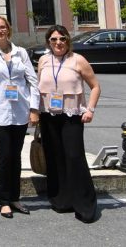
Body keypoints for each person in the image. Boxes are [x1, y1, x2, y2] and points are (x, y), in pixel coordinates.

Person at [37, 25, 101, 223]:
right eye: (54, 39)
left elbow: (95, 86)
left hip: (71, 116)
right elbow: (38, 87)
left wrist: (90, 109)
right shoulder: (43, 60)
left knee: (74, 157)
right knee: (54, 157)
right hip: (48, 115)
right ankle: (61, 200)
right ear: (48, 42)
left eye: (62, 39)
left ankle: (85, 205)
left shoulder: (77, 60)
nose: (58, 43)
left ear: (68, 40)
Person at [0, 16, 39, 219]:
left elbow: (33, 81)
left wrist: (34, 109)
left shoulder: (21, 53)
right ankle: (3, 200)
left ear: (8, 29)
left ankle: (15, 198)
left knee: (16, 155)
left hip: (20, 111)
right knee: (4, 155)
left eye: (2, 27)